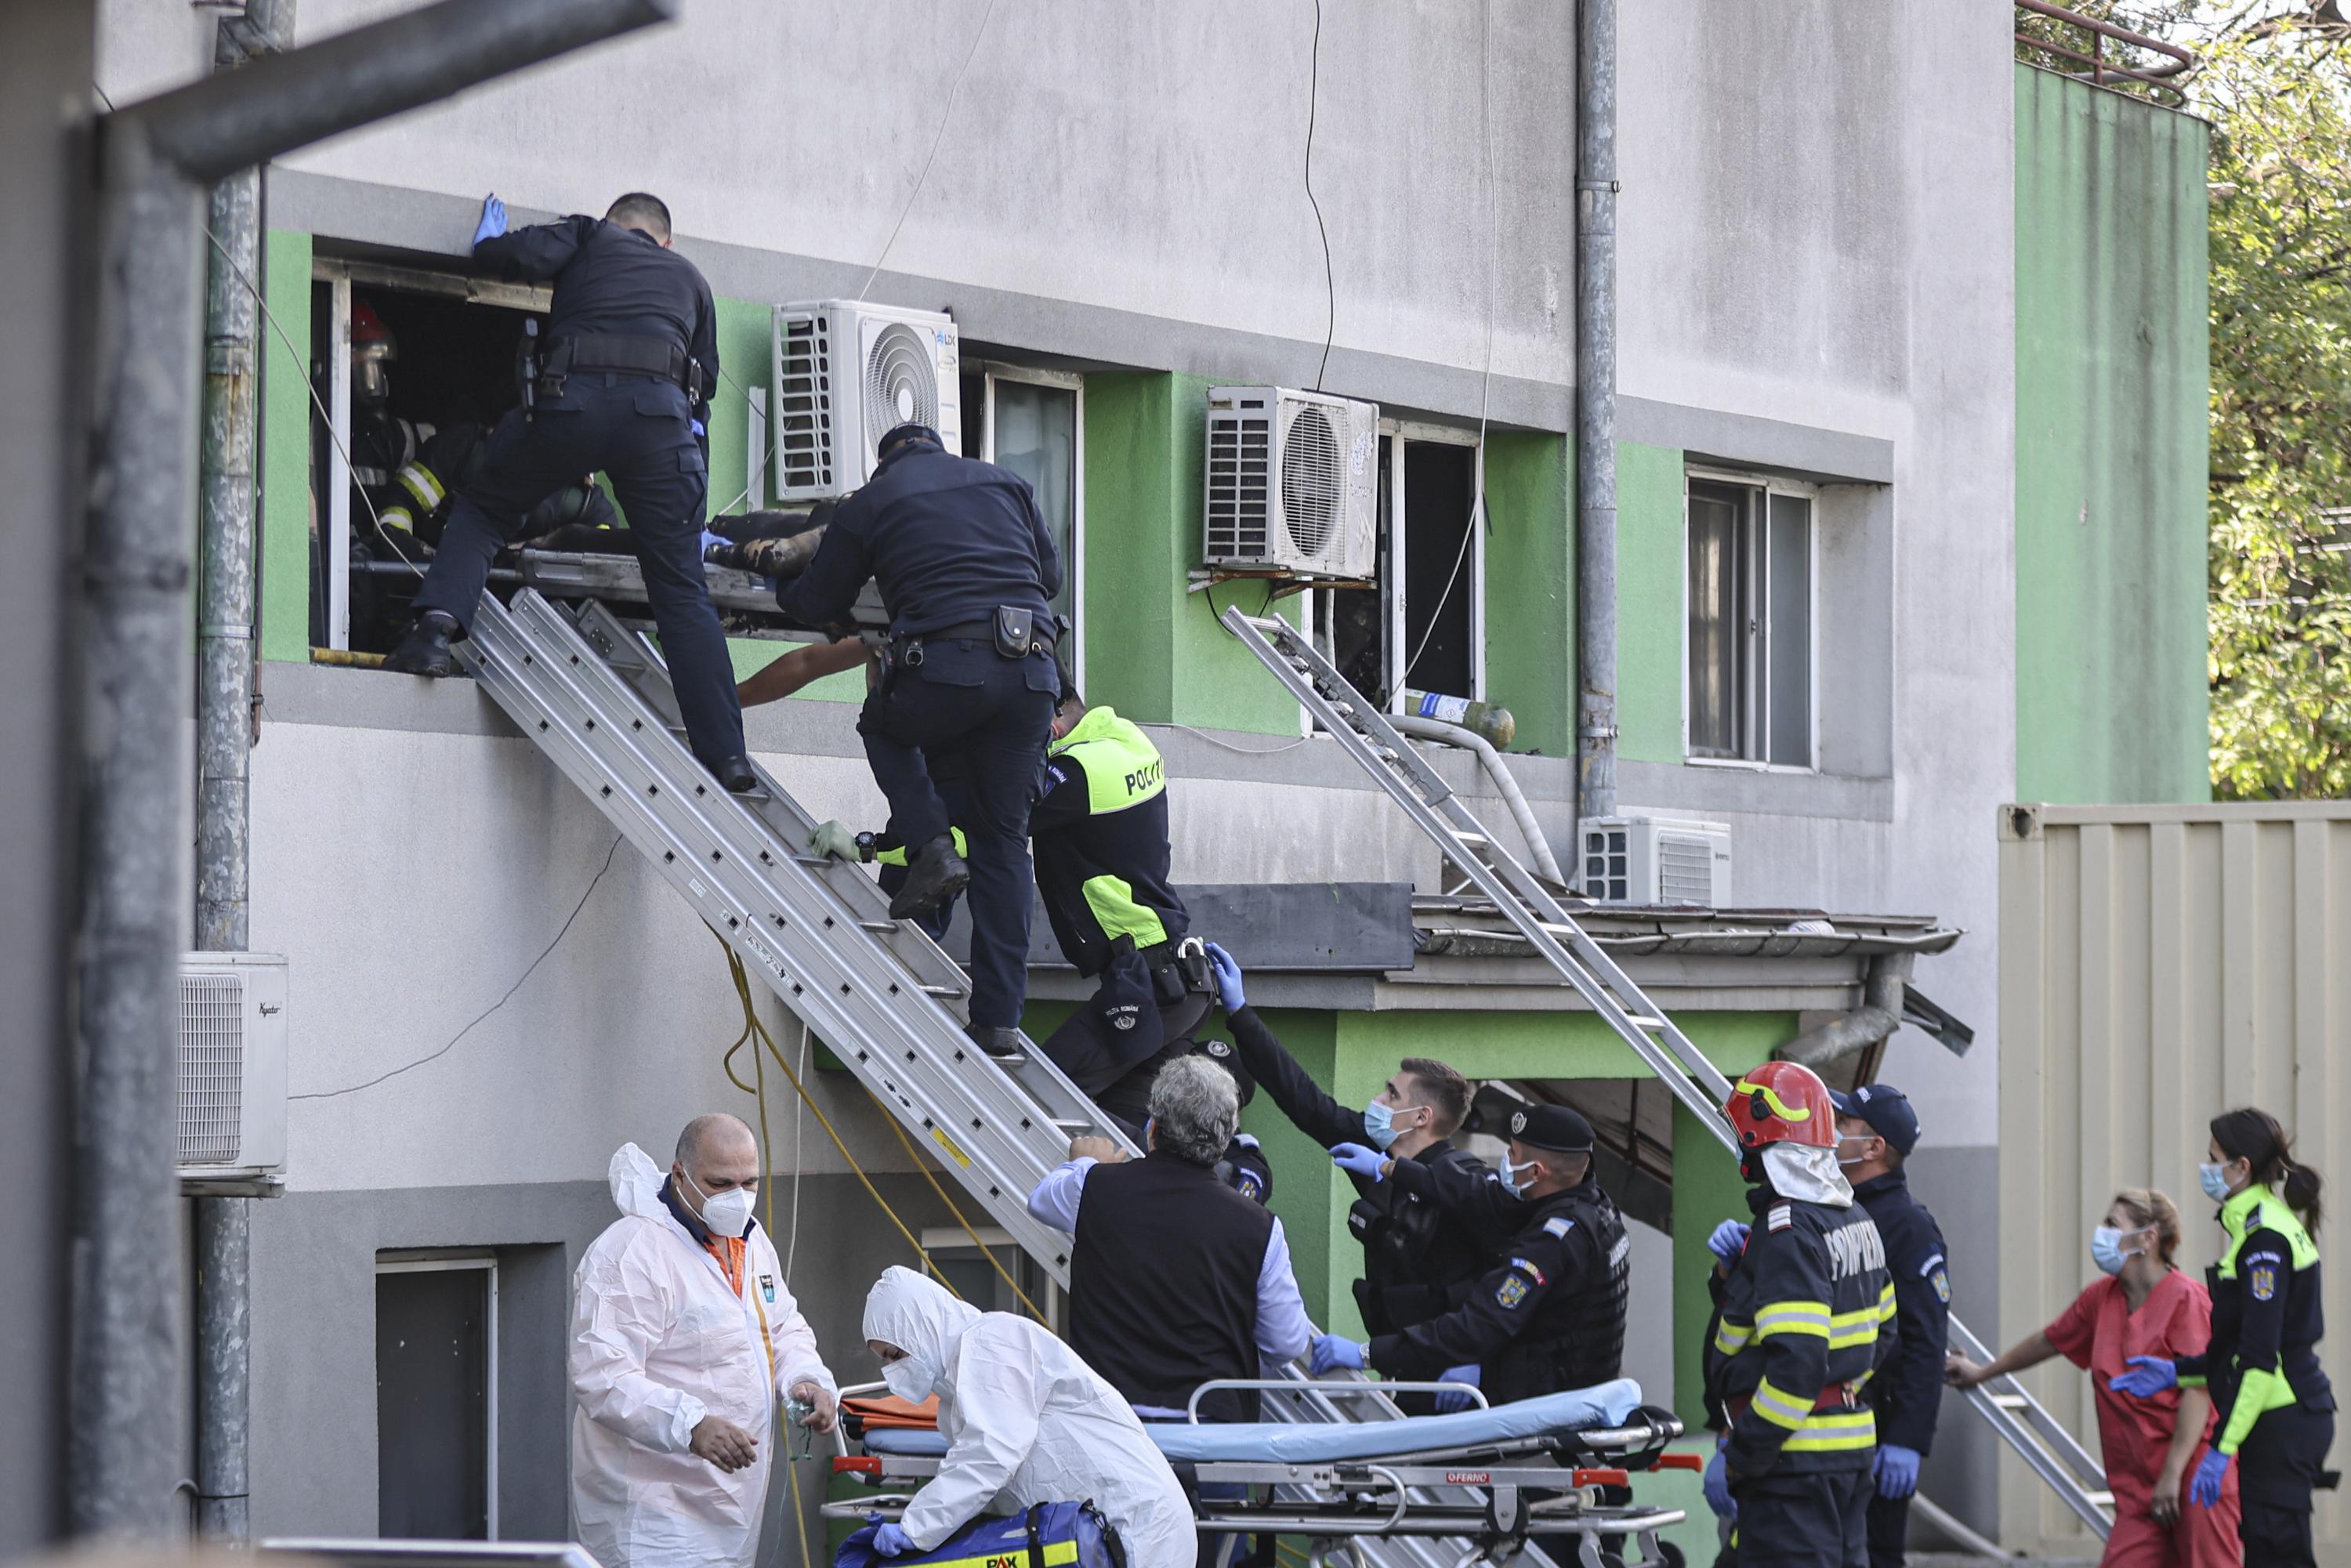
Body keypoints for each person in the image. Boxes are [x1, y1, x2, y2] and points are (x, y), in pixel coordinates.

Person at [381, 191, 753, 791]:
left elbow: (511, 258)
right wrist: (692, 519)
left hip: (569, 407)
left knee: (483, 507)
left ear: (613, 223)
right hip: (659, 429)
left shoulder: (587, 236)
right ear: (666, 242)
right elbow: (700, 403)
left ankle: (433, 633)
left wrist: (487, 244)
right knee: (681, 589)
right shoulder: (692, 280)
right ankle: (728, 756)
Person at [777, 422, 1062, 1055]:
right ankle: (998, 1021)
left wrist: (781, 579)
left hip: (947, 669)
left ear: (885, 462)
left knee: (882, 724)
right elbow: (1052, 577)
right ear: (938, 447)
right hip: (1032, 674)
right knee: (1005, 843)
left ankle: (931, 842)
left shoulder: (873, 501)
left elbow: (817, 596)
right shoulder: (1006, 481)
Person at [570, 1114, 839, 1568]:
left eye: (750, 1182)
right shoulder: (631, 1252)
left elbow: (780, 1326)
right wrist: (690, 1425)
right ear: (680, 1174)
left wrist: (805, 1378)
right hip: (653, 1512)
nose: (737, 1198)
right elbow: (603, 1375)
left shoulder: (749, 1242)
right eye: (720, 1183)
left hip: (730, 1507)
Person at [1204, 943, 1491, 1364]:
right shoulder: (1374, 1149)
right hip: (1401, 1361)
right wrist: (1240, 1012)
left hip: (1453, 1367)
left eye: (1392, 1094)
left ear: (1421, 1116)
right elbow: (1304, 1101)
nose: (1378, 1099)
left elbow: (1497, 1285)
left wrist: (1477, 1363)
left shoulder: (1462, 1184)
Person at [1947, 1190, 2238, 1568]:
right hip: (2138, 1487)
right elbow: (2048, 1340)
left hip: (2192, 1472)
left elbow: (2198, 1393)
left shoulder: (2187, 1301)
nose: (2101, 1233)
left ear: (2148, 1239)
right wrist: (1984, 1372)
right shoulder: (2102, 1299)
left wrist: (2172, 1475)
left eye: (2112, 1225)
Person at [1027, 1054, 1311, 1420]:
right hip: (1211, 1433)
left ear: (1153, 1129)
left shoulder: (1095, 1187)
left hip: (1108, 1423)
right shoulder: (1260, 1226)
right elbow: (1287, 1343)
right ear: (1224, 1142)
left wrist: (1084, 1161)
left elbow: (1041, 1201)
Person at [2109, 1108, 2333, 1568]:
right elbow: (2238, 1348)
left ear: (2241, 1167)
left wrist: (2221, 1448)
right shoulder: (2255, 1226)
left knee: (2280, 1555)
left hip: (2281, 1419)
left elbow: (2259, 1360)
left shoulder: (2262, 1241)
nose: (2206, 1168)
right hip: (2279, 1415)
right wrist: (2179, 1371)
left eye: (2213, 1158)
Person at [860, 1266, 1194, 1568]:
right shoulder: (954, 1404)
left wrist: (915, 1527)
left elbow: (989, 1454)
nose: (894, 1371)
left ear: (922, 1327)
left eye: (895, 1355)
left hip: (1138, 1523)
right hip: (1099, 1534)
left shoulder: (991, 1344)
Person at [1700, 1061, 1894, 1568]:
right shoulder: (1854, 1217)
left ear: (1759, 1141)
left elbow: (1798, 1368)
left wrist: (1740, 1456)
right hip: (1843, 1454)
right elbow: (1885, 1329)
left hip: (1793, 1466)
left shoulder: (1789, 1229)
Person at [1311, 1101, 1632, 1408]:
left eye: (1512, 1154)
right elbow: (1472, 1193)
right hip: (1566, 1378)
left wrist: (1366, 1354)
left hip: (1547, 1398)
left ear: (1536, 1172)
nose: (1505, 1160)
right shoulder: (1592, 1204)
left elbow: (1477, 1325)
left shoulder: (1553, 1242)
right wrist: (1389, 1168)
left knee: (1419, 1406)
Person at [1828, 1085, 1949, 1568]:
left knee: (1875, 1556)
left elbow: (1925, 1341)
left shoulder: (1908, 1226)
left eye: (1844, 1125)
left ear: (1874, 1148)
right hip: (1833, 1431)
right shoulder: (1835, 1208)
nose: (1832, 1132)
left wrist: (1907, 1440)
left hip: (1881, 1431)